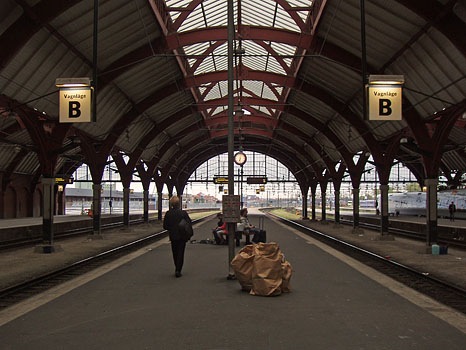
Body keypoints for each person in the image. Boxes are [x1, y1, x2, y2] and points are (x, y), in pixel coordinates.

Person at [163, 195, 192, 277]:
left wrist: (172, 228)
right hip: (182, 236)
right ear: (179, 204)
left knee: (175, 252)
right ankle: (178, 269)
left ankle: (177, 266)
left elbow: (165, 226)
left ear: (171, 204)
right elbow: (189, 223)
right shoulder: (183, 213)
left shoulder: (168, 213)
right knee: (181, 252)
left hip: (173, 236)